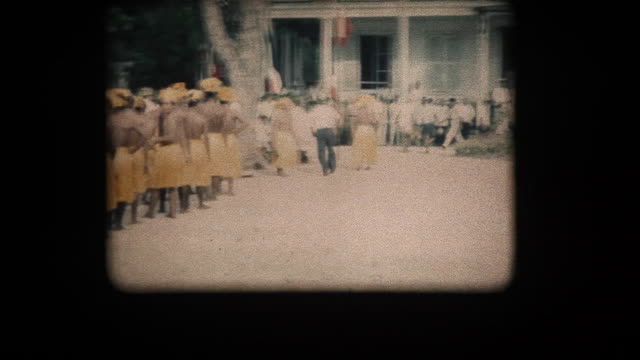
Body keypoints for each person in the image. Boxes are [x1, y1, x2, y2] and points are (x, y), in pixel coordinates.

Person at [144, 86, 191, 219]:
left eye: (169, 104)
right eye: (164, 104)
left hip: (169, 151)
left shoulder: (171, 118)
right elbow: (181, 136)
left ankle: (155, 212)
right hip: (171, 151)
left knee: (159, 184)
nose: (166, 106)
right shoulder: (170, 116)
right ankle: (171, 211)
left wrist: (155, 139)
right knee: (170, 184)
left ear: (173, 105)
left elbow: (172, 136)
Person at [106, 88, 143, 230]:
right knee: (123, 188)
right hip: (123, 155)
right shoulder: (129, 118)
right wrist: (134, 148)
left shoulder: (110, 118)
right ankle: (118, 222)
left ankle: (110, 221)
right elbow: (144, 136)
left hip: (111, 155)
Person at [180, 89, 212, 211]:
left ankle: (184, 206)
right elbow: (206, 138)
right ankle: (200, 203)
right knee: (200, 176)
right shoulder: (202, 119)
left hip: (185, 145)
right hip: (199, 146)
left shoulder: (182, 117)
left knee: (186, 177)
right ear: (198, 103)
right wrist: (208, 154)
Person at [218, 86, 248, 194]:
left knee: (219, 161)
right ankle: (230, 189)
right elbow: (246, 123)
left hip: (220, 138)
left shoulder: (218, 112)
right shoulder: (232, 112)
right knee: (231, 162)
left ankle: (218, 188)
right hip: (231, 137)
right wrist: (236, 131)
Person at [309, 97, 341, 176]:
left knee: (321, 151)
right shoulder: (331, 109)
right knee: (331, 149)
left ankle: (325, 168)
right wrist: (336, 128)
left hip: (320, 131)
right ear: (327, 102)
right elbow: (338, 118)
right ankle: (332, 167)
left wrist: (312, 130)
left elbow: (310, 121)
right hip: (330, 130)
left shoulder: (315, 109)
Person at [270, 97, 299, 176]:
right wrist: (274, 136)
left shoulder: (289, 114)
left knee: (288, 152)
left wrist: (294, 135)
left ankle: (282, 168)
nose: (287, 106)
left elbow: (290, 126)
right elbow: (274, 126)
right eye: (286, 105)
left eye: (288, 105)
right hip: (280, 134)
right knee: (280, 152)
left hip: (287, 134)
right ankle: (279, 170)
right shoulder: (277, 113)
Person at [351, 95, 379, 170]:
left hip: (360, 129)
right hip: (369, 129)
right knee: (368, 146)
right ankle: (367, 164)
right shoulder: (371, 112)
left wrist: (353, 131)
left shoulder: (358, 112)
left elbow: (355, 122)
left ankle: (359, 164)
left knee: (359, 147)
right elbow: (374, 121)